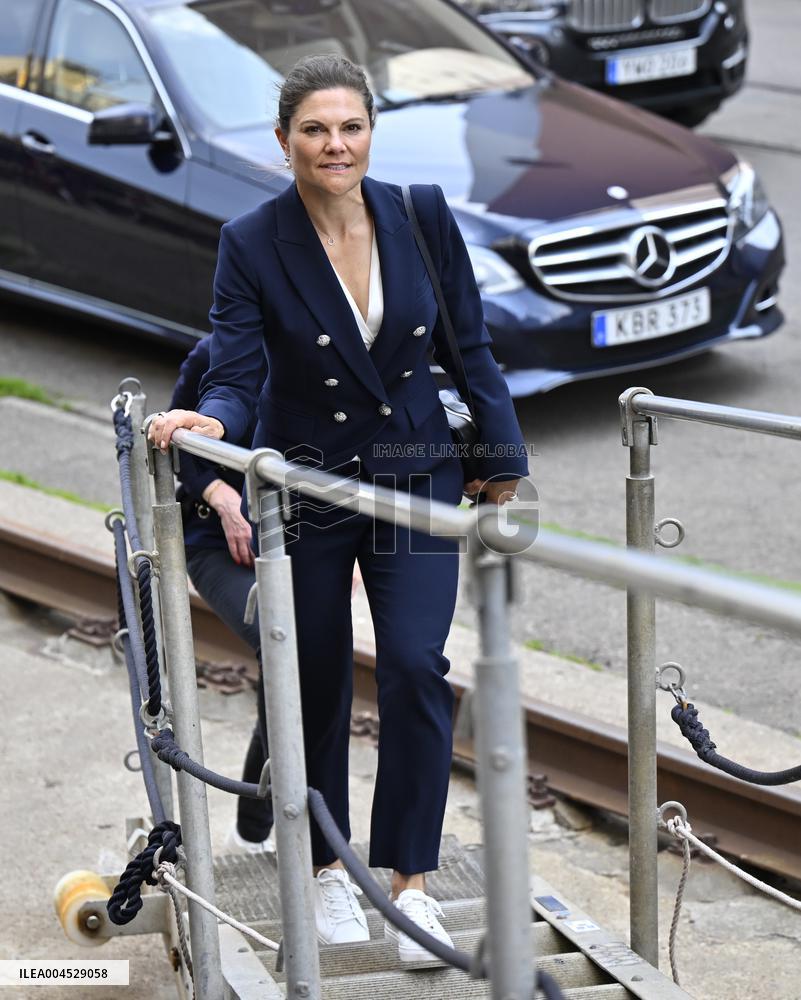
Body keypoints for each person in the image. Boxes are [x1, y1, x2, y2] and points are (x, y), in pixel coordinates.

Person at [149, 53, 528, 963]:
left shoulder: (418, 214)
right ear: (284, 142)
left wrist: (501, 455)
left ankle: (411, 884)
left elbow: (468, 347)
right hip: (305, 484)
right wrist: (214, 424)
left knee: (412, 665)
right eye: (315, 130)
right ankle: (325, 871)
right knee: (314, 671)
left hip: (412, 470)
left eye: (350, 127)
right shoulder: (251, 239)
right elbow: (238, 372)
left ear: (370, 132)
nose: (335, 145)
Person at [170, 335, 274, 853]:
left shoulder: (328, 352)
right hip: (215, 538)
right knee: (284, 649)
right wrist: (219, 494)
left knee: (314, 671)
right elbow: (173, 440)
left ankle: (280, 830)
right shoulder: (215, 352)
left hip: (296, 540)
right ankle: (254, 833)